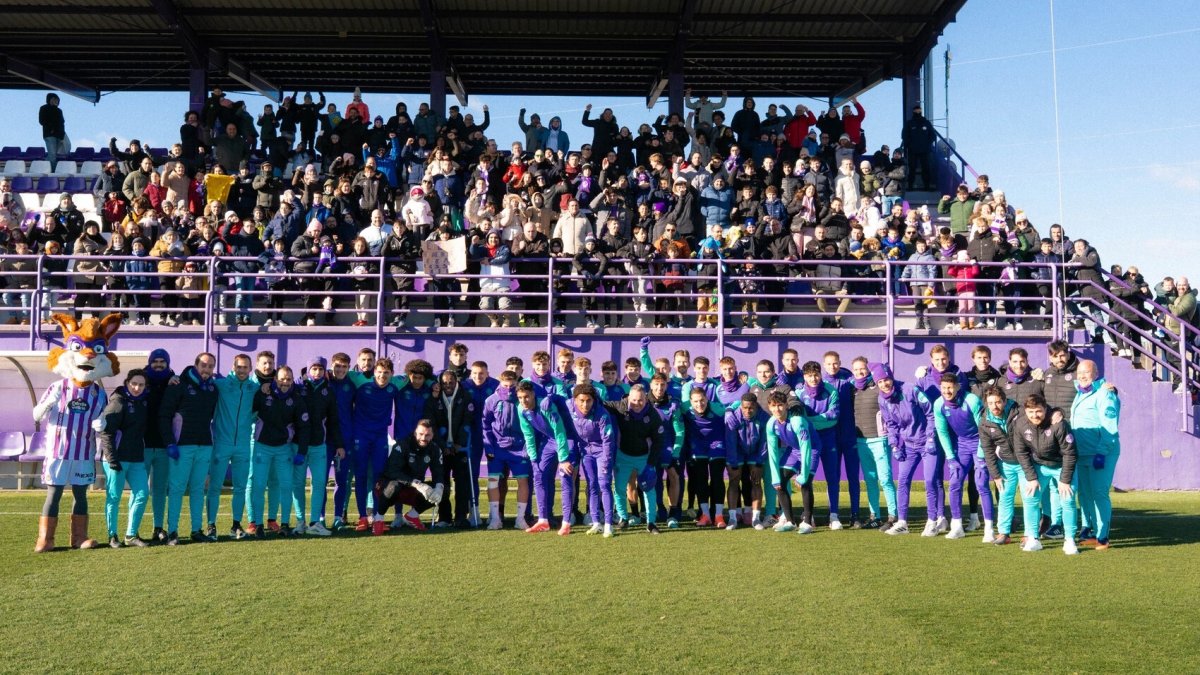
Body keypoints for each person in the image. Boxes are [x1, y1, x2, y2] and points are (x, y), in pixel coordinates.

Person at [32, 314, 121, 552]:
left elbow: (102, 419)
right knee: (54, 494)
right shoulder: (57, 387)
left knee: (81, 495)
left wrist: (101, 424)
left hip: (83, 453)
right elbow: (36, 416)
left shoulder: (98, 393)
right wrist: (45, 405)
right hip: (58, 452)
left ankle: (79, 537)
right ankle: (46, 539)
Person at [158, 352, 220, 545]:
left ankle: (196, 530)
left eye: (210, 366)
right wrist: (169, 442)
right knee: (176, 489)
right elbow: (164, 416)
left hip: (205, 446)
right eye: (204, 365)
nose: (207, 369)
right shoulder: (178, 385)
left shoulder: (212, 389)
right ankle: (173, 531)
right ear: (195, 365)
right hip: (182, 447)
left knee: (198, 489)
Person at [876, 364, 938, 536]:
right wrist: (894, 444)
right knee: (902, 481)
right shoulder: (882, 399)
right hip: (908, 444)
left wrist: (931, 437)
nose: (884, 384)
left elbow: (930, 412)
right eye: (880, 381)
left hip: (927, 442)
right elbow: (891, 424)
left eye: (886, 379)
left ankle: (932, 521)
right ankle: (902, 522)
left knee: (930, 481)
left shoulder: (910, 389)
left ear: (891, 378)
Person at [1014, 394, 1080, 555]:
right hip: (1039, 465)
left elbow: (1070, 453)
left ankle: (1070, 540)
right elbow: (1021, 452)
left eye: (1038, 411)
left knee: (1068, 500)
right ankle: (1033, 539)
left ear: (1045, 409)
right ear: (1025, 411)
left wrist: (1065, 480)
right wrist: (1031, 477)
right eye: (1031, 412)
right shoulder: (1021, 424)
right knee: (1030, 498)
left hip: (1061, 465)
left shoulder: (1059, 424)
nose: (1035, 415)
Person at [249, 366, 310, 538]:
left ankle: (284, 524)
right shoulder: (263, 394)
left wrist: (302, 452)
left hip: (284, 449)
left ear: (292, 380)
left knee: (286, 485)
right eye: (282, 379)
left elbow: (304, 427)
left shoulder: (296, 399)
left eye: (289, 379)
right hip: (262, 447)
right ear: (275, 379)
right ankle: (258, 524)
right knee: (259, 486)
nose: (285, 382)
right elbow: (249, 412)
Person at [933, 372, 994, 542]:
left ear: (958, 387)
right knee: (954, 483)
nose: (947, 391)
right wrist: (951, 458)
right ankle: (957, 526)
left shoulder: (972, 400)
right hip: (962, 445)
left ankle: (989, 529)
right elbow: (942, 432)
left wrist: (981, 457)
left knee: (982, 484)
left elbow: (983, 428)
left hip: (980, 443)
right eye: (944, 388)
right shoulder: (938, 405)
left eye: (950, 387)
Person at [1070, 359, 1121, 551]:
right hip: (1082, 454)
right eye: (1080, 372)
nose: (1082, 376)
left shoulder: (1104, 394)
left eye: (1087, 372)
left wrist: (1101, 453)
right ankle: (1091, 530)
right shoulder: (1080, 392)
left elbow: (1109, 428)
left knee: (1099, 493)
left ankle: (1103, 537)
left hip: (1101, 453)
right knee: (1085, 494)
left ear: (1096, 373)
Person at [98, 369, 151, 548]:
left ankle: (130, 535)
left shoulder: (144, 401)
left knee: (142, 494)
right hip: (116, 459)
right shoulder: (117, 402)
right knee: (114, 497)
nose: (137, 388)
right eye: (134, 383)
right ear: (127, 382)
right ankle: (112, 536)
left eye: (141, 384)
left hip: (136, 458)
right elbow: (106, 433)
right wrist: (112, 459)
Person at [208, 353, 258, 540]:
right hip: (221, 443)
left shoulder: (255, 388)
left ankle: (236, 525)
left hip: (243, 445)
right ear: (233, 367)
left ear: (250, 369)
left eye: (245, 367)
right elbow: (198, 381)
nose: (242, 370)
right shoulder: (221, 385)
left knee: (240, 487)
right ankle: (211, 526)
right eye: (239, 367)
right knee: (215, 486)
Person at [350, 358, 404, 530]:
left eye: (386, 373)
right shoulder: (360, 381)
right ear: (374, 372)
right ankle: (362, 517)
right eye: (379, 372)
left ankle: (378, 517)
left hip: (380, 437)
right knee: (360, 475)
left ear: (391, 374)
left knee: (379, 478)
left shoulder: (395, 384)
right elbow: (335, 372)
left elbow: (418, 375)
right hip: (361, 435)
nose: (382, 376)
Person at [603, 385, 664, 534]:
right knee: (619, 488)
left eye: (641, 400)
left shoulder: (653, 415)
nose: (637, 403)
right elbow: (601, 403)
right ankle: (623, 518)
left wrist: (651, 464)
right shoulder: (620, 406)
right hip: (623, 456)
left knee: (649, 489)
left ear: (646, 398)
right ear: (629, 398)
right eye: (634, 400)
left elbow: (658, 441)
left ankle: (651, 522)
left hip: (644, 457)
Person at [295, 357, 344, 536]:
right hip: (298, 446)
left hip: (318, 445)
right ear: (308, 369)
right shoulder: (298, 387)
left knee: (319, 483)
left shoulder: (328, 392)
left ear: (325, 371)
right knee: (298, 484)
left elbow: (333, 421)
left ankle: (315, 522)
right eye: (314, 369)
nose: (317, 372)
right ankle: (300, 522)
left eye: (320, 369)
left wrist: (339, 444)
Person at [371, 420, 445, 536]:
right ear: (415, 432)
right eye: (421, 434)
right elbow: (392, 471)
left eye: (427, 435)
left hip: (413, 490)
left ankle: (412, 516)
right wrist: (416, 484)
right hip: (389, 486)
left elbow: (438, 472)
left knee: (441, 490)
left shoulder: (434, 449)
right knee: (394, 486)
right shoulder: (403, 444)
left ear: (433, 435)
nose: (423, 438)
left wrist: (439, 487)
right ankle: (378, 519)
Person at [516, 381, 572, 534]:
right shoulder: (521, 409)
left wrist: (563, 459)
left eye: (526, 397)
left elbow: (560, 430)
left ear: (533, 394)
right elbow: (528, 434)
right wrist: (533, 459)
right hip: (549, 441)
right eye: (520, 397)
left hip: (567, 439)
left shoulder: (546, 406)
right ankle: (543, 520)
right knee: (538, 475)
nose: (523, 401)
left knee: (565, 476)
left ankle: (566, 522)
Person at [795, 361, 843, 529]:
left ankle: (834, 515)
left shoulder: (831, 391)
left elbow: (833, 415)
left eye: (816, 375)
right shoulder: (799, 393)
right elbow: (798, 417)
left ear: (820, 374)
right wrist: (815, 421)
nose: (813, 378)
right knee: (807, 477)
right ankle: (808, 514)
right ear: (804, 376)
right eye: (809, 376)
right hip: (809, 441)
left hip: (829, 438)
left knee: (833, 478)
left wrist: (810, 420)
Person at [565, 384, 618, 537]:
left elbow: (608, 441)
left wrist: (607, 462)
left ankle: (608, 525)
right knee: (591, 485)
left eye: (588, 401)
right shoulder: (569, 407)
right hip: (585, 452)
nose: (585, 404)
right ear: (575, 400)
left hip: (602, 452)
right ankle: (596, 523)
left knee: (604, 485)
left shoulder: (602, 414)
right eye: (581, 401)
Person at [849, 358, 896, 530]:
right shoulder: (852, 388)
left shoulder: (878, 386)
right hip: (861, 441)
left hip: (880, 439)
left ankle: (894, 515)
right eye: (856, 369)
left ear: (868, 370)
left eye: (862, 369)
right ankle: (874, 516)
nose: (860, 372)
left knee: (885, 479)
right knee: (870, 480)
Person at [482, 370, 532, 530]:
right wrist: (489, 446)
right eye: (505, 385)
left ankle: (520, 519)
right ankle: (495, 519)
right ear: (500, 383)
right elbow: (485, 425)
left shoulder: (522, 399)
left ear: (517, 383)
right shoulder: (491, 400)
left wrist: (527, 446)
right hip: (497, 448)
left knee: (523, 481)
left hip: (519, 448)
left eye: (512, 386)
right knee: (493, 481)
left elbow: (531, 424)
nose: (509, 389)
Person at [425, 369, 475, 528]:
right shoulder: (434, 399)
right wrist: (442, 445)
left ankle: (461, 517)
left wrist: (458, 444)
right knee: (441, 482)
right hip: (441, 449)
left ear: (456, 382)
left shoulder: (465, 396)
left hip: (459, 449)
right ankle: (444, 517)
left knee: (462, 483)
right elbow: (431, 423)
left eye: (451, 382)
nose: (447, 385)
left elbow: (467, 422)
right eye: (444, 383)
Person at [764, 390, 816, 533]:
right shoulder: (771, 424)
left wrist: (803, 474)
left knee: (805, 483)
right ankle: (790, 521)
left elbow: (806, 448)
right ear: (769, 407)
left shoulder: (797, 421)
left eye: (780, 405)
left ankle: (807, 522)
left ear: (787, 405)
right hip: (793, 450)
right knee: (780, 481)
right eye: (773, 406)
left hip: (812, 449)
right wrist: (774, 476)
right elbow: (773, 452)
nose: (777, 409)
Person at [979, 387, 1022, 545]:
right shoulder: (984, 421)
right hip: (1005, 464)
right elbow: (988, 451)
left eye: (997, 402)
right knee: (1005, 498)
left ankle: (1032, 534)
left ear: (1004, 401)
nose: (994, 406)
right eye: (990, 403)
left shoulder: (1019, 412)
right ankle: (1004, 533)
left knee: (1030, 498)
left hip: (1025, 463)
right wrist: (995, 475)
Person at [682, 386, 728, 528]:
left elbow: (733, 409)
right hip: (698, 446)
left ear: (707, 399)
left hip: (717, 445)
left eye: (702, 400)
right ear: (690, 401)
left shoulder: (717, 408)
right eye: (695, 401)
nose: (699, 404)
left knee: (716, 478)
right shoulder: (684, 409)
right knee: (700, 480)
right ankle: (705, 515)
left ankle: (719, 516)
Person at [724, 392, 769, 530]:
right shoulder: (733, 418)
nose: (747, 411)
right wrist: (733, 463)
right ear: (741, 406)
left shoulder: (764, 417)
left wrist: (759, 462)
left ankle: (756, 519)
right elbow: (731, 442)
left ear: (756, 406)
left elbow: (764, 442)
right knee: (734, 480)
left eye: (751, 408)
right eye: (745, 408)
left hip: (755, 453)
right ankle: (732, 519)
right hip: (737, 452)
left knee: (756, 481)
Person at [39, 93, 66, 172]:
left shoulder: (59, 111)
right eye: (54, 99)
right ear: (49, 99)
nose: (55, 101)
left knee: (53, 155)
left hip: (59, 135)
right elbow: (42, 121)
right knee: (52, 155)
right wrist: (51, 128)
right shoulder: (44, 108)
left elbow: (62, 122)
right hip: (49, 135)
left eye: (57, 100)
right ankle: (52, 172)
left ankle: (44, 167)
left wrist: (62, 135)